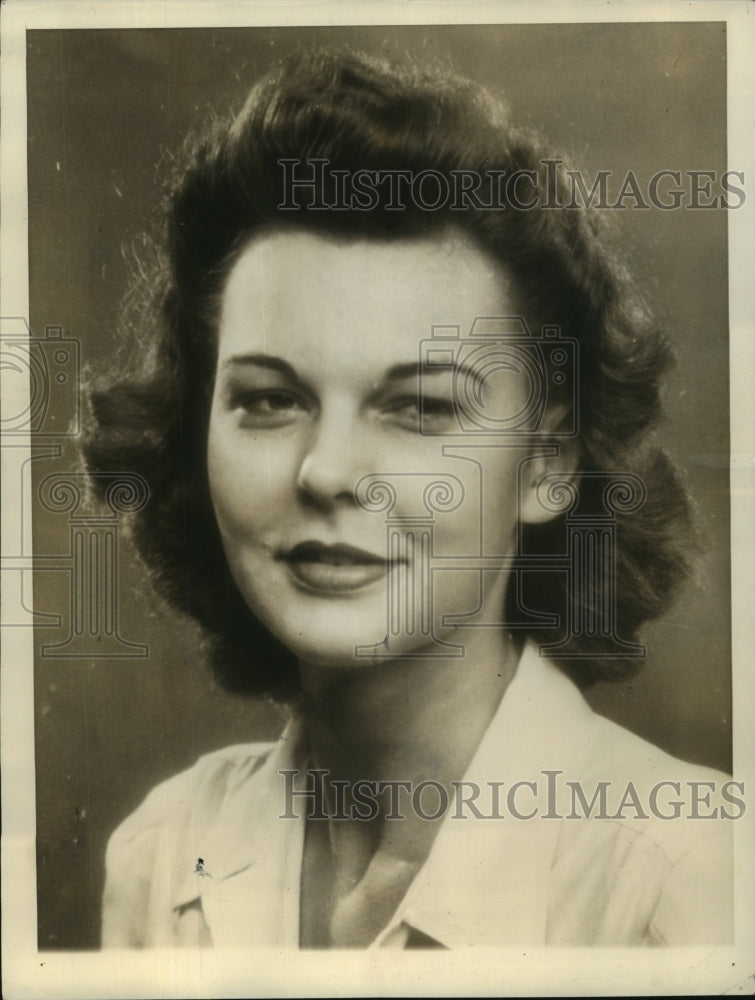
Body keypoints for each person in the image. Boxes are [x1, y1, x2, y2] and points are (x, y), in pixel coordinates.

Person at [84, 48, 733, 948]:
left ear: (546, 461)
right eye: (269, 399)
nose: (326, 470)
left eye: (420, 407)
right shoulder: (165, 852)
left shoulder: (696, 871)